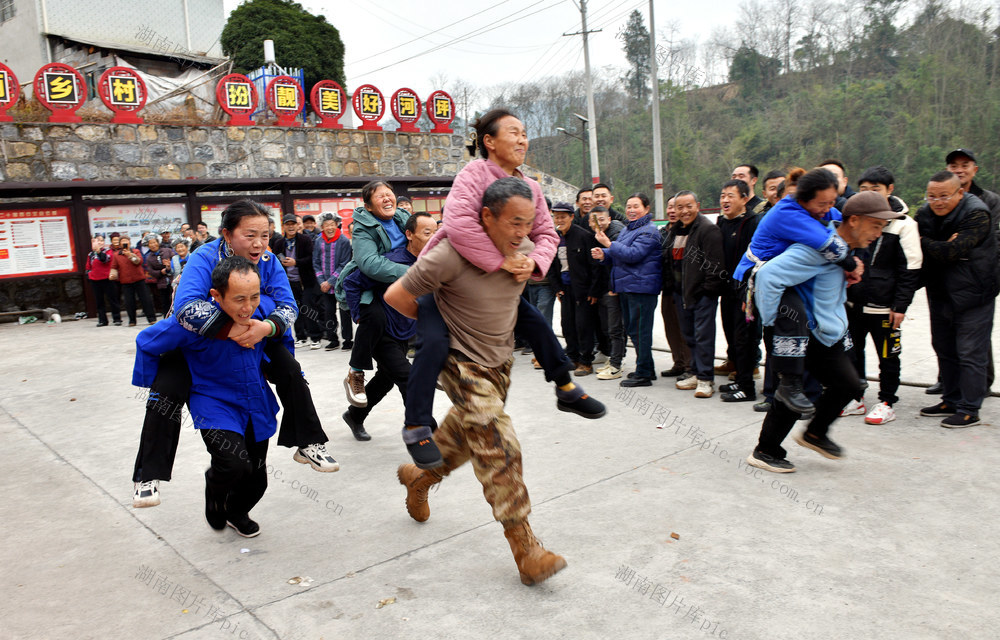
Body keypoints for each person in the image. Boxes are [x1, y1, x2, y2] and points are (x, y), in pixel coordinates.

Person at [386, 177, 567, 586]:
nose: (523, 233)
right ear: (486, 217)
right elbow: (397, 296)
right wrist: (441, 328)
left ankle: (420, 478)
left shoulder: (522, 252)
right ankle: (526, 549)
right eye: (514, 223)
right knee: (498, 442)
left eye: (529, 223)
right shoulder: (448, 255)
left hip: (498, 364)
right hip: (460, 363)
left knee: (469, 435)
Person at [401, 109, 606, 469]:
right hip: (450, 283)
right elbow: (460, 225)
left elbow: (545, 234)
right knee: (432, 342)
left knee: (538, 326)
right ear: (489, 142)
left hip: (498, 286)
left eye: (525, 133)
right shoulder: (473, 175)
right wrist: (501, 262)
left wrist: (536, 262)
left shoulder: (531, 187)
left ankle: (566, 388)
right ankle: (417, 423)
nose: (523, 139)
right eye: (514, 132)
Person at [131, 200, 337, 509]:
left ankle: (307, 442)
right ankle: (148, 475)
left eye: (265, 235)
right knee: (166, 393)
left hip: (255, 333)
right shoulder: (203, 257)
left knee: (291, 372)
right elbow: (188, 307)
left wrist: (263, 328)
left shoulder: (268, 260)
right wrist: (234, 326)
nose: (259, 244)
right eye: (250, 235)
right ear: (227, 234)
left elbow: (288, 305)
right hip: (193, 339)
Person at [747, 191, 900, 473]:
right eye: (876, 226)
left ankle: (815, 433)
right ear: (854, 220)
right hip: (802, 332)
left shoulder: (844, 251)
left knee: (849, 386)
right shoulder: (815, 249)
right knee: (794, 393)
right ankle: (765, 450)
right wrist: (772, 322)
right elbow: (768, 276)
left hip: (827, 332)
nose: (878, 234)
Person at [133, 256, 280, 537]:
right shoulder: (193, 324)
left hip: (256, 402)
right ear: (216, 295)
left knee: (256, 480)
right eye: (238, 299)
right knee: (233, 463)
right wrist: (154, 384)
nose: (248, 307)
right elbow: (146, 341)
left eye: (254, 297)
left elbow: (282, 337)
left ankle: (237, 511)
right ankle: (214, 489)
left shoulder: (260, 317)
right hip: (214, 404)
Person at [734, 168, 862, 416]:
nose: (827, 208)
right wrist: (852, 264)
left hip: (785, 277)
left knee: (819, 319)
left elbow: (839, 222)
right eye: (821, 203)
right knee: (792, 316)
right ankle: (788, 384)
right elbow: (830, 245)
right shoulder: (788, 212)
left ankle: (832, 378)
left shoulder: (818, 209)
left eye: (831, 202)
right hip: (756, 277)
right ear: (803, 199)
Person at [341, 213, 436, 441]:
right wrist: (359, 316)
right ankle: (425, 432)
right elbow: (352, 282)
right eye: (427, 233)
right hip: (381, 332)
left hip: (404, 331)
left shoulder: (432, 263)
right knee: (408, 378)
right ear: (409, 235)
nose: (433, 238)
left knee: (386, 379)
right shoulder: (391, 262)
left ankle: (354, 415)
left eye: (436, 232)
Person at [916, 171, 998, 428]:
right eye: (932, 196)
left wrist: (925, 243)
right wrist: (936, 245)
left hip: (975, 292)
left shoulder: (977, 213)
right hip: (941, 291)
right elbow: (929, 249)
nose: (938, 202)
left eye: (944, 196)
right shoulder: (924, 213)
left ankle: (969, 409)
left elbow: (953, 250)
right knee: (944, 347)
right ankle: (950, 399)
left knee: (970, 352)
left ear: (960, 193)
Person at [841, 166, 922, 424]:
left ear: (890, 190)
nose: (869, 195)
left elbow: (910, 268)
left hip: (885, 308)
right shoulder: (857, 220)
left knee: (888, 354)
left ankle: (887, 401)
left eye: (875, 190)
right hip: (854, 303)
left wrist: (901, 305)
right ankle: (856, 398)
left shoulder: (904, 225)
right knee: (852, 351)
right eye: (863, 190)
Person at [336, 181, 411, 409]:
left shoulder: (403, 219)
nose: (387, 198)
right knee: (374, 318)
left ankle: (354, 416)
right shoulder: (362, 227)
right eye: (380, 197)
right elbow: (369, 264)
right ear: (368, 206)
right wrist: (412, 273)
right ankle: (356, 372)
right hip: (369, 290)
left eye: (389, 194)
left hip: (398, 295)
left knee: (389, 374)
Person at [659, 191, 724, 398]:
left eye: (688, 206)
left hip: (702, 294)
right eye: (680, 207)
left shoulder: (707, 229)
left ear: (698, 205)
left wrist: (707, 291)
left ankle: (706, 379)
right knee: (690, 336)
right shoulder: (675, 231)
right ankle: (696, 373)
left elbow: (716, 266)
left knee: (703, 337)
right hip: (681, 293)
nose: (684, 211)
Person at [592, 193, 662, 387]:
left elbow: (633, 255)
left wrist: (608, 244)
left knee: (641, 331)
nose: (631, 210)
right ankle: (646, 368)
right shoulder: (628, 230)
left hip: (641, 288)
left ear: (646, 209)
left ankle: (644, 373)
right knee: (634, 330)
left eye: (636, 206)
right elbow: (619, 252)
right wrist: (604, 254)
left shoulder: (649, 231)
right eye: (629, 206)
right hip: (628, 286)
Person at [715, 179, 762, 402]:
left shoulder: (753, 222)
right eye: (723, 195)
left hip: (747, 291)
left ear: (744, 199)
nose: (725, 200)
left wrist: (748, 292)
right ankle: (740, 379)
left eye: (730, 196)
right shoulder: (721, 223)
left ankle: (747, 387)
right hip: (727, 290)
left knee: (746, 338)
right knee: (732, 336)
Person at [551, 202, 601, 376]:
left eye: (563, 216)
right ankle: (572, 358)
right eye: (557, 217)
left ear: (572, 217)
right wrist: (557, 287)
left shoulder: (584, 236)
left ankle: (586, 362)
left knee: (583, 326)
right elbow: (552, 265)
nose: (560, 220)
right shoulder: (555, 238)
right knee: (567, 325)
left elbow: (595, 266)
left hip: (583, 291)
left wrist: (594, 291)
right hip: (564, 289)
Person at [272, 213, 322, 350]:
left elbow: (311, 258)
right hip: (289, 283)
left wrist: (296, 262)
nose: (291, 227)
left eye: (293, 224)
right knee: (295, 309)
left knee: (309, 308)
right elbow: (275, 261)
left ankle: (315, 337)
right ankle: (301, 337)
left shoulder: (305, 240)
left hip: (305, 281)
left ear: (297, 225)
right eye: (287, 225)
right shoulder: (279, 243)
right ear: (284, 227)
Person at [590, 206, 626, 379]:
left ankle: (617, 364)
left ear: (609, 219)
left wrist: (615, 287)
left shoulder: (615, 233)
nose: (598, 223)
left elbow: (620, 259)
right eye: (594, 220)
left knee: (616, 328)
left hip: (615, 288)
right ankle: (614, 360)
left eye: (601, 219)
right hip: (606, 287)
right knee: (609, 327)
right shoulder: (597, 236)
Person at [658, 196, 691, 378]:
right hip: (667, 287)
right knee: (671, 327)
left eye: (675, 207)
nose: (672, 211)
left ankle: (689, 366)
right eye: (669, 207)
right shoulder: (664, 232)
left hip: (684, 289)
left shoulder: (690, 231)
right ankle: (678, 362)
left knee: (685, 328)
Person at [313, 213, 354, 351]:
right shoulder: (318, 241)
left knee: (344, 312)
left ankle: (348, 340)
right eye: (326, 225)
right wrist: (321, 281)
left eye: (332, 224)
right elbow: (316, 263)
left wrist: (330, 281)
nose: (329, 228)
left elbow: (344, 264)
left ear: (337, 225)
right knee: (329, 313)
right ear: (322, 227)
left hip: (341, 284)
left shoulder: (343, 241)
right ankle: (333, 339)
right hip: (324, 286)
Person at [115, 235, 157, 326]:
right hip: (125, 281)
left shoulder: (136, 251)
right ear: (119, 244)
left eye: (126, 241)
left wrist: (129, 255)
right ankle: (132, 320)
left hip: (139, 279)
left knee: (146, 299)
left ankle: (151, 318)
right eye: (122, 242)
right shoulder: (116, 255)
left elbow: (138, 261)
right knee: (129, 302)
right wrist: (112, 274)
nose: (125, 243)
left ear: (130, 243)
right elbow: (114, 267)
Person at [86, 234, 122, 327]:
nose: (99, 242)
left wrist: (98, 251)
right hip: (95, 280)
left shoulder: (108, 251)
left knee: (113, 299)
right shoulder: (90, 254)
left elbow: (105, 259)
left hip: (107, 279)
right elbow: (88, 267)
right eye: (97, 241)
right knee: (99, 301)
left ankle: (117, 318)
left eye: (101, 241)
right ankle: (102, 320)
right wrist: (89, 275)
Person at [143, 235, 174, 318]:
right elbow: (151, 271)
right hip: (162, 282)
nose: (153, 245)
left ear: (158, 242)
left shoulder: (167, 250)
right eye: (150, 243)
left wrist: (170, 266)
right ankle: (166, 318)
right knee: (165, 302)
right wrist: (161, 272)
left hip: (173, 279)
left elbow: (175, 259)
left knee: (174, 300)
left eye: (154, 242)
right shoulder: (149, 258)